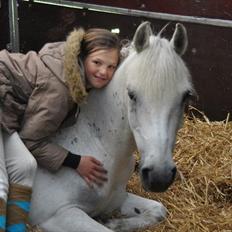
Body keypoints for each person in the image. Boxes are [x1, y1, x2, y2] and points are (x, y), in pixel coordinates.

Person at [0, 27, 120, 232]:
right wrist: (75, 161)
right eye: (97, 62)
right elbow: (31, 140)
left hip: (5, 112)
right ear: (82, 57)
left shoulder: (71, 70)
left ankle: (15, 229)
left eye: (111, 66)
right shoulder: (60, 88)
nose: (104, 72)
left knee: (25, 165)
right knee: (0, 181)